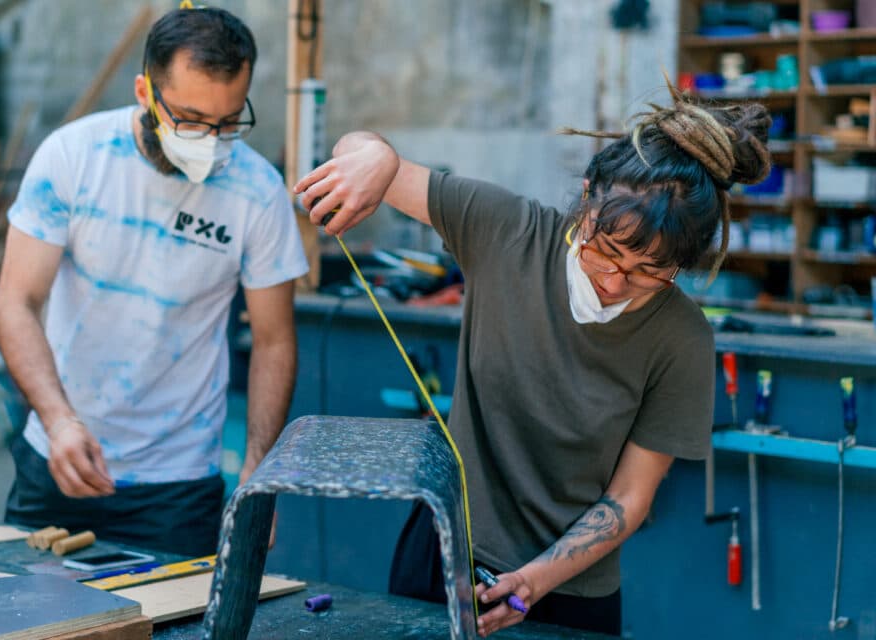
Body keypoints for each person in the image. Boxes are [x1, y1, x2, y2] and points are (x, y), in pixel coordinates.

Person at [295, 86, 771, 637]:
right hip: (444, 555)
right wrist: (376, 156)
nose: (616, 281)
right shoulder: (507, 231)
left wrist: (533, 580)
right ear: (587, 197)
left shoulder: (681, 337)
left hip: (570, 591)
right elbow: (359, 151)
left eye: (649, 273)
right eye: (606, 251)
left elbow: (630, 497)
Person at [0, 6, 307, 557]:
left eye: (228, 122)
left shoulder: (258, 192)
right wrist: (58, 420)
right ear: (145, 92)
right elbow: (17, 303)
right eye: (190, 119)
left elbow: (274, 340)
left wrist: (260, 472)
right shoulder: (73, 156)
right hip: (59, 457)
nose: (209, 141)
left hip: (177, 485)